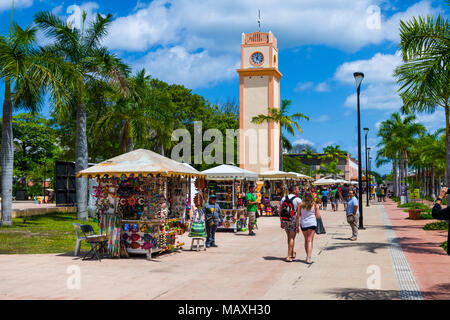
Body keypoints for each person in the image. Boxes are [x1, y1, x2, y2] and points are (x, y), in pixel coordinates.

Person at [280, 185, 302, 262]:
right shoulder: (298, 200)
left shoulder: (283, 198)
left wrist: (281, 222)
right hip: (293, 220)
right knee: (292, 238)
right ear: (294, 190)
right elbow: (299, 214)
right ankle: (288, 256)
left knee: (289, 237)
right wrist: (297, 224)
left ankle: (292, 252)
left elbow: (280, 211)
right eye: (298, 189)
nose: (299, 191)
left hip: (285, 219)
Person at [300, 190, 321, 264]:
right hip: (312, 223)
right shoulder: (315, 205)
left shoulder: (301, 204)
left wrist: (296, 225)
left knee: (306, 240)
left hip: (303, 223)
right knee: (310, 240)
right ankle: (308, 258)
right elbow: (318, 216)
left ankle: (307, 255)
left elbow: (298, 216)